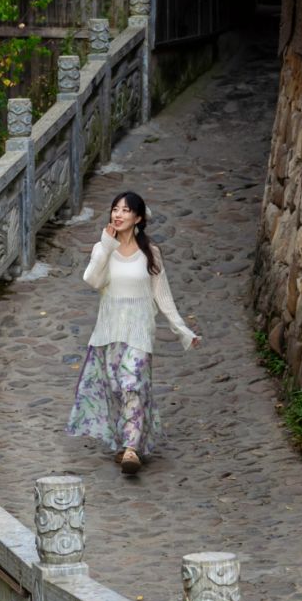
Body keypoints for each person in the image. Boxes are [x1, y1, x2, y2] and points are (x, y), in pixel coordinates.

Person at [67, 190, 200, 476]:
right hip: (109, 331)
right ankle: (125, 441)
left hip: (139, 331)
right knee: (117, 388)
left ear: (138, 217)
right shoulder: (103, 248)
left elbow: (162, 295)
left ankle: (131, 448)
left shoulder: (150, 252)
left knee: (133, 382)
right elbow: (92, 279)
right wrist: (105, 246)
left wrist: (181, 329)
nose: (118, 214)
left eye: (126, 210)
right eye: (115, 209)